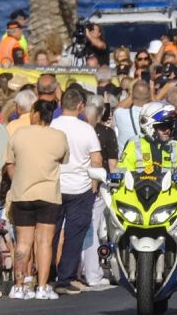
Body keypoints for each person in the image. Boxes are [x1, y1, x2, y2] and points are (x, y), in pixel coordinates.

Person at [116, 109, 177, 312]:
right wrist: (113, 179)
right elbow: (121, 171)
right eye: (163, 126)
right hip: (142, 202)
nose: (168, 130)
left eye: (169, 126)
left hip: (170, 201)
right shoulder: (134, 145)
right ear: (148, 126)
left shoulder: (176, 147)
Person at [4, 97, 69, 299]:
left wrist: (19, 180)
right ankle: (41, 287)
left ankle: (19, 286)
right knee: (44, 242)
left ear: (36, 113)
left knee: (23, 243)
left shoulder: (19, 134)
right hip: (49, 194)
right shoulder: (59, 136)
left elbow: (9, 162)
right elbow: (64, 159)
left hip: (22, 193)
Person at [51, 88, 104, 294]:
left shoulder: (53, 126)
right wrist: (95, 184)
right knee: (75, 234)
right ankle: (65, 278)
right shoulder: (86, 129)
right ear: (81, 106)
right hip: (81, 187)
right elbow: (96, 159)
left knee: (52, 232)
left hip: (55, 185)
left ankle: (47, 275)